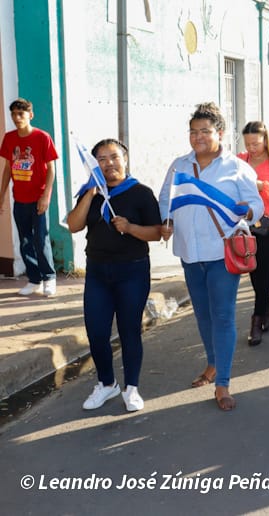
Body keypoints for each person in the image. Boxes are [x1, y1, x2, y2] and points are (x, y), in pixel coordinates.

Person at [159, 102, 263, 411]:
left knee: (222, 315)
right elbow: (166, 199)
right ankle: (213, 362)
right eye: (193, 132)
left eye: (204, 131)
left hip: (222, 252)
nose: (198, 137)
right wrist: (166, 221)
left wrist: (246, 209)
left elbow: (257, 206)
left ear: (220, 132)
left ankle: (223, 383)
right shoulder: (180, 166)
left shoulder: (236, 167)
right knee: (202, 315)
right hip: (190, 253)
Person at [67, 139, 161, 411]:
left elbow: (155, 233)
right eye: (102, 159)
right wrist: (89, 194)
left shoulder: (141, 193)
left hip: (132, 270)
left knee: (129, 330)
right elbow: (74, 225)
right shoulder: (91, 192)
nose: (109, 163)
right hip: (97, 272)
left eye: (114, 157)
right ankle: (107, 385)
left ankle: (132, 388)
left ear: (125, 159)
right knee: (96, 333)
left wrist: (130, 227)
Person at [0, 98, 58, 297]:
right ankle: (35, 280)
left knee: (40, 239)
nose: (17, 118)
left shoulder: (42, 137)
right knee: (25, 241)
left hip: (38, 199)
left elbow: (51, 169)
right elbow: (8, 169)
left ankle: (49, 277)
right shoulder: (9, 139)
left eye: (21, 114)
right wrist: (2, 196)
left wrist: (45, 196)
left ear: (30, 115)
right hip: (20, 200)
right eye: (14, 114)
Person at [237, 121, 269, 346]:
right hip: (245, 224)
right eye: (248, 144)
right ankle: (266, 310)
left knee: (264, 271)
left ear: (266, 140)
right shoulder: (240, 160)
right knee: (253, 272)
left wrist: (262, 186)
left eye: (256, 143)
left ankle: (257, 320)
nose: (251, 148)